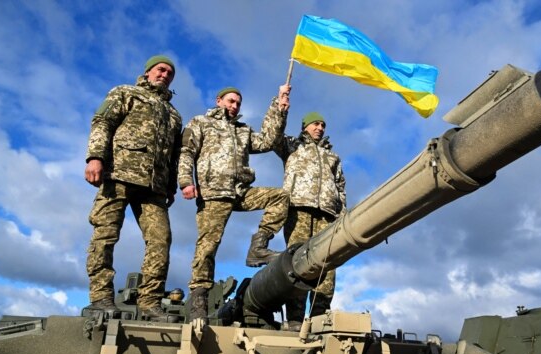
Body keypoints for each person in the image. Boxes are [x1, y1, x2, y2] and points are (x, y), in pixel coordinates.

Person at [179, 85, 291, 321]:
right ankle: (199, 298)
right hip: (214, 193)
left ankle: (258, 247)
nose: (234, 106)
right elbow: (187, 152)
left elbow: (268, 141)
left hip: (240, 190)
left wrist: (278, 108)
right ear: (219, 100)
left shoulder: (242, 130)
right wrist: (185, 181)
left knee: (280, 196)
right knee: (208, 246)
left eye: (238, 103)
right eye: (231, 101)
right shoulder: (200, 122)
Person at [84, 55, 183, 322]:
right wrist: (95, 158)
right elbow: (102, 123)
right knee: (105, 236)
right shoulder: (126, 93)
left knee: (161, 241)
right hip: (118, 174)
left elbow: (174, 155)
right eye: (161, 70)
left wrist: (171, 187)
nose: (165, 75)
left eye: (170, 73)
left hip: (154, 188)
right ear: (148, 71)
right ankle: (101, 298)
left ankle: (150, 304)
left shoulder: (174, 115)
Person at [274, 112, 346, 331]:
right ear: (305, 126)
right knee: (298, 263)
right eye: (316, 124)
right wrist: (282, 107)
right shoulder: (292, 147)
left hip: (327, 213)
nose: (320, 128)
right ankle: (295, 317)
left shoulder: (332, 156)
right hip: (298, 209)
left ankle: (319, 316)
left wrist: (341, 213)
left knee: (327, 264)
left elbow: (340, 186)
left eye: (323, 125)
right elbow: (274, 136)